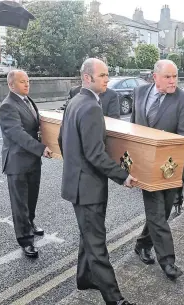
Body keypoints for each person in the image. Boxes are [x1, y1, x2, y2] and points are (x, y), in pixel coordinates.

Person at [58, 58, 137, 305]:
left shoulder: (74, 101)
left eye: (107, 74)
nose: (107, 79)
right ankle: (115, 299)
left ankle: (84, 278)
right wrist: (123, 176)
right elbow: (95, 153)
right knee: (97, 245)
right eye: (102, 75)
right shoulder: (92, 106)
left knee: (87, 235)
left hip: (76, 184)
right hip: (88, 189)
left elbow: (62, 140)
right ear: (87, 78)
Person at [130, 59, 184, 280]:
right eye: (168, 76)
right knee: (157, 214)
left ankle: (141, 244)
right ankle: (168, 262)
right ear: (154, 76)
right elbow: (133, 127)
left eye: (175, 76)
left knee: (162, 212)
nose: (172, 81)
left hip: (169, 166)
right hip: (144, 166)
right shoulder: (139, 92)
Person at [0, 70, 52, 258]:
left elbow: (37, 126)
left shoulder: (28, 101)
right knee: (20, 204)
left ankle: (30, 223)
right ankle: (25, 240)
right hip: (17, 162)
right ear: (11, 85)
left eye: (28, 81)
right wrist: (40, 148)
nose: (27, 84)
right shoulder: (8, 106)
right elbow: (17, 134)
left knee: (31, 198)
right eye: (22, 82)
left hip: (32, 161)